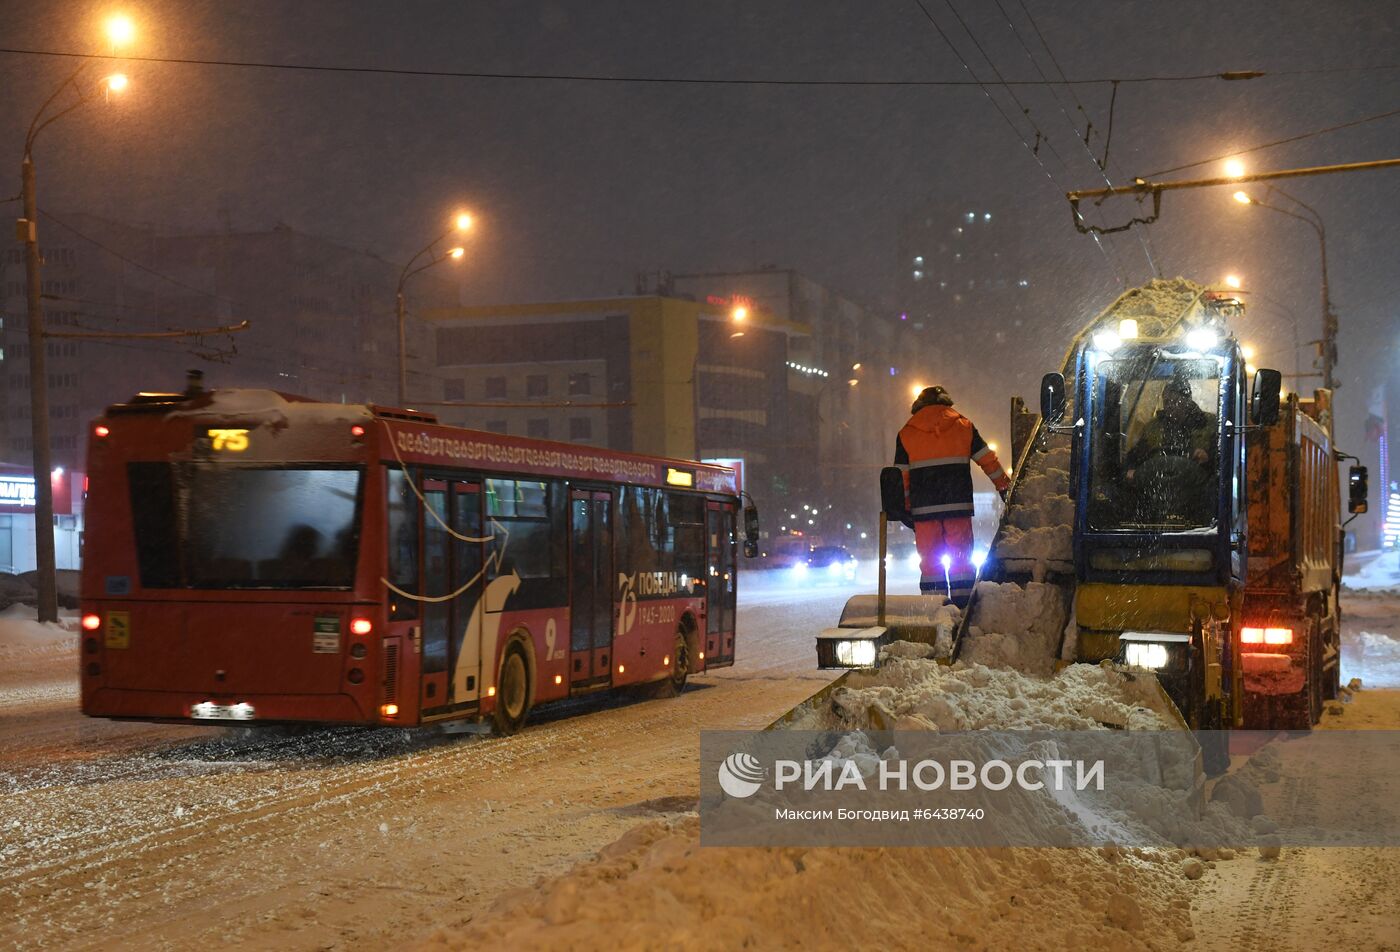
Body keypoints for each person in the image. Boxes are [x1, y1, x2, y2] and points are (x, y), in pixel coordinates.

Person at [894, 386, 1010, 607]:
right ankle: (963, 607)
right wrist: (1005, 488)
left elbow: (902, 478)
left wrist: (906, 507)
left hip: (924, 510)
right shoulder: (963, 425)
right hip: (958, 505)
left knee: (930, 564)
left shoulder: (907, 432)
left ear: (919, 405)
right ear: (946, 402)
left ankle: (935, 608)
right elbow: (988, 460)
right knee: (961, 560)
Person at [1123, 376, 1217, 484]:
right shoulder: (1153, 427)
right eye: (1167, 402)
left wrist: (1207, 458)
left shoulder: (1210, 424)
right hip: (1157, 485)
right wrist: (1130, 469)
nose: (1171, 406)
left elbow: (1223, 462)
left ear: (1188, 401)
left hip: (1195, 487)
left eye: (1176, 401)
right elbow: (1136, 455)